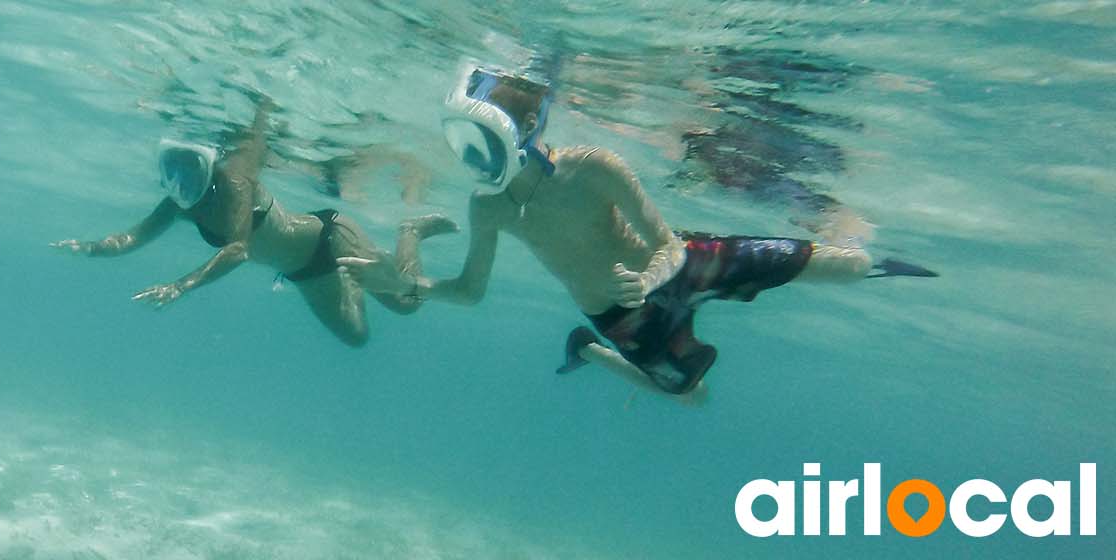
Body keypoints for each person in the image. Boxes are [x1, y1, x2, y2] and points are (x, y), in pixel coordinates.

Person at [339, 62, 935, 402]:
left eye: (480, 145)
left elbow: (668, 244)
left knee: (845, 266)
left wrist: (649, 275)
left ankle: (883, 263)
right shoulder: (487, 208)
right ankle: (588, 350)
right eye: (459, 147)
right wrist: (413, 283)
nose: (471, 163)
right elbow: (469, 290)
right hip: (619, 317)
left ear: (520, 131)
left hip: (681, 264)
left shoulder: (593, 166)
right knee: (689, 396)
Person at [54, 96, 456, 347]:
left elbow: (238, 249)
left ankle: (411, 232)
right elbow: (135, 235)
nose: (180, 181)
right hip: (303, 270)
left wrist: (181, 285)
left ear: (207, 163)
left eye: (188, 168)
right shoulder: (180, 201)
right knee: (357, 338)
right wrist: (91, 249)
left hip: (330, 239)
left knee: (406, 307)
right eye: (171, 171)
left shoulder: (234, 183)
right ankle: (356, 277)